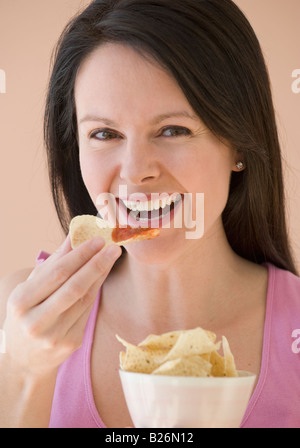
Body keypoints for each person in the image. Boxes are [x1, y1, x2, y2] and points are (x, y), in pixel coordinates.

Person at [0, 0, 299, 429]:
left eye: (173, 130)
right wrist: (25, 375)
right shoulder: (17, 316)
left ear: (238, 145)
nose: (137, 170)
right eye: (104, 133)